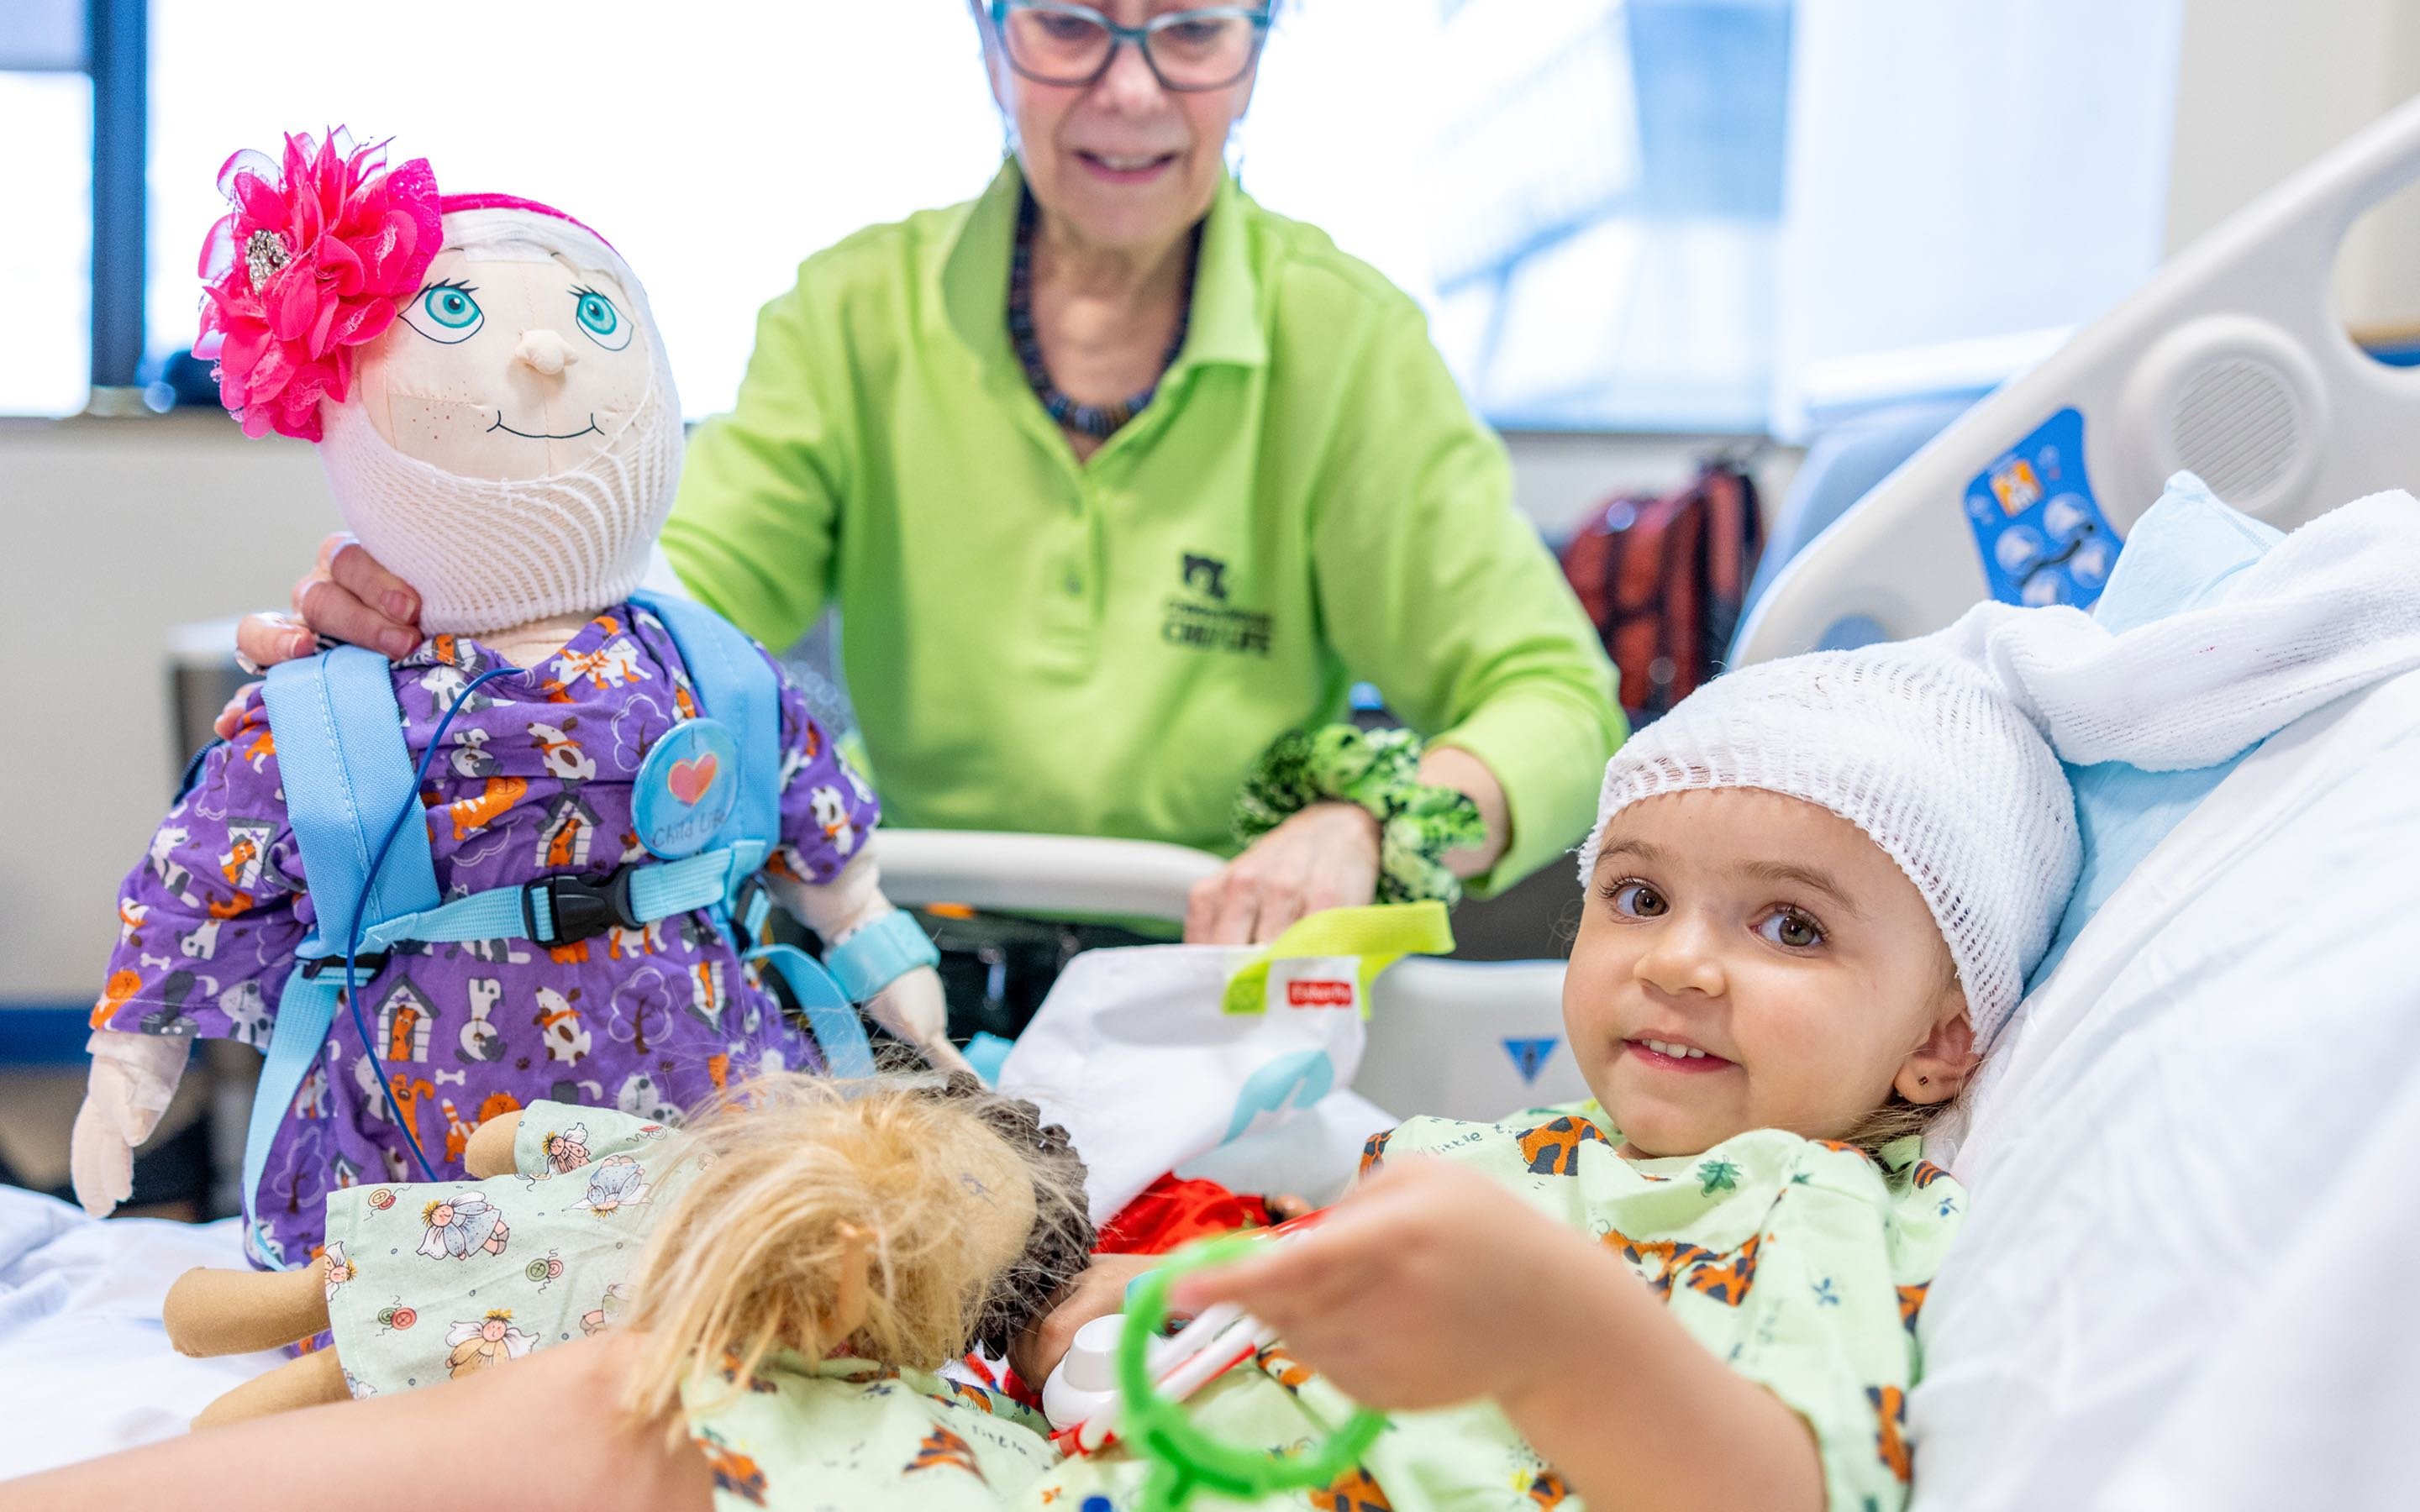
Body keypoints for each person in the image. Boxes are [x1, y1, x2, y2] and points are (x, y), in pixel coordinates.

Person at [24, 620, 2087, 1511]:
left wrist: (1550, 1332)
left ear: (1942, 1045)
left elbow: (1767, 1490)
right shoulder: (1528, 1139)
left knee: (643, 1433)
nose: (1681, 967)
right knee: (700, 1298)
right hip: (1110, 1439)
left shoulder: (1811, 1202)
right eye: (1633, 898)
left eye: (1790, 926)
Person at [224, 0, 1622, 959]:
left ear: (1258, 50)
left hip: (1225, 983)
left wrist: (1372, 821)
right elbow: (667, 601)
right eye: (1071, 23)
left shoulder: (1347, 339)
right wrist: (459, 604)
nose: (1129, 88)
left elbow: (1553, 700)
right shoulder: (854, 313)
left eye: (1192, 30)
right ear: (990, 37)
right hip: (907, 938)